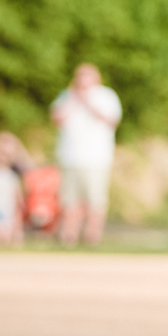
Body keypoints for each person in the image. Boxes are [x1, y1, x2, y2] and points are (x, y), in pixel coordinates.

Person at [51, 64, 122, 246]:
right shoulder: (67, 95)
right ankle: (69, 236)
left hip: (96, 159)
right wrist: (75, 100)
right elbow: (56, 118)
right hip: (70, 157)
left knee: (95, 201)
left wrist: (88, 102)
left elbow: (112, 120)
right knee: (69, 201)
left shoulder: (106, 96)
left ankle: (92, 236)